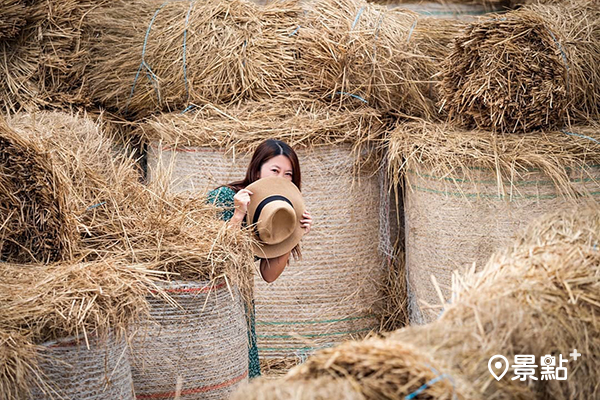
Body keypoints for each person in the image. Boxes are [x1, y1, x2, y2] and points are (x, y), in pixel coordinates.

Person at [206, 139, 313, 378]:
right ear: (257, 170)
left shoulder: (280, 209)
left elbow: (269, 275)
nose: (281, 178)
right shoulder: (224, 197)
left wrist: (293, 234)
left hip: (239, 295)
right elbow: (214, 256)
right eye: (275, 170)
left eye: (288, 174)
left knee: (243, 369)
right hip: (207, 293)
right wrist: (239, 213)